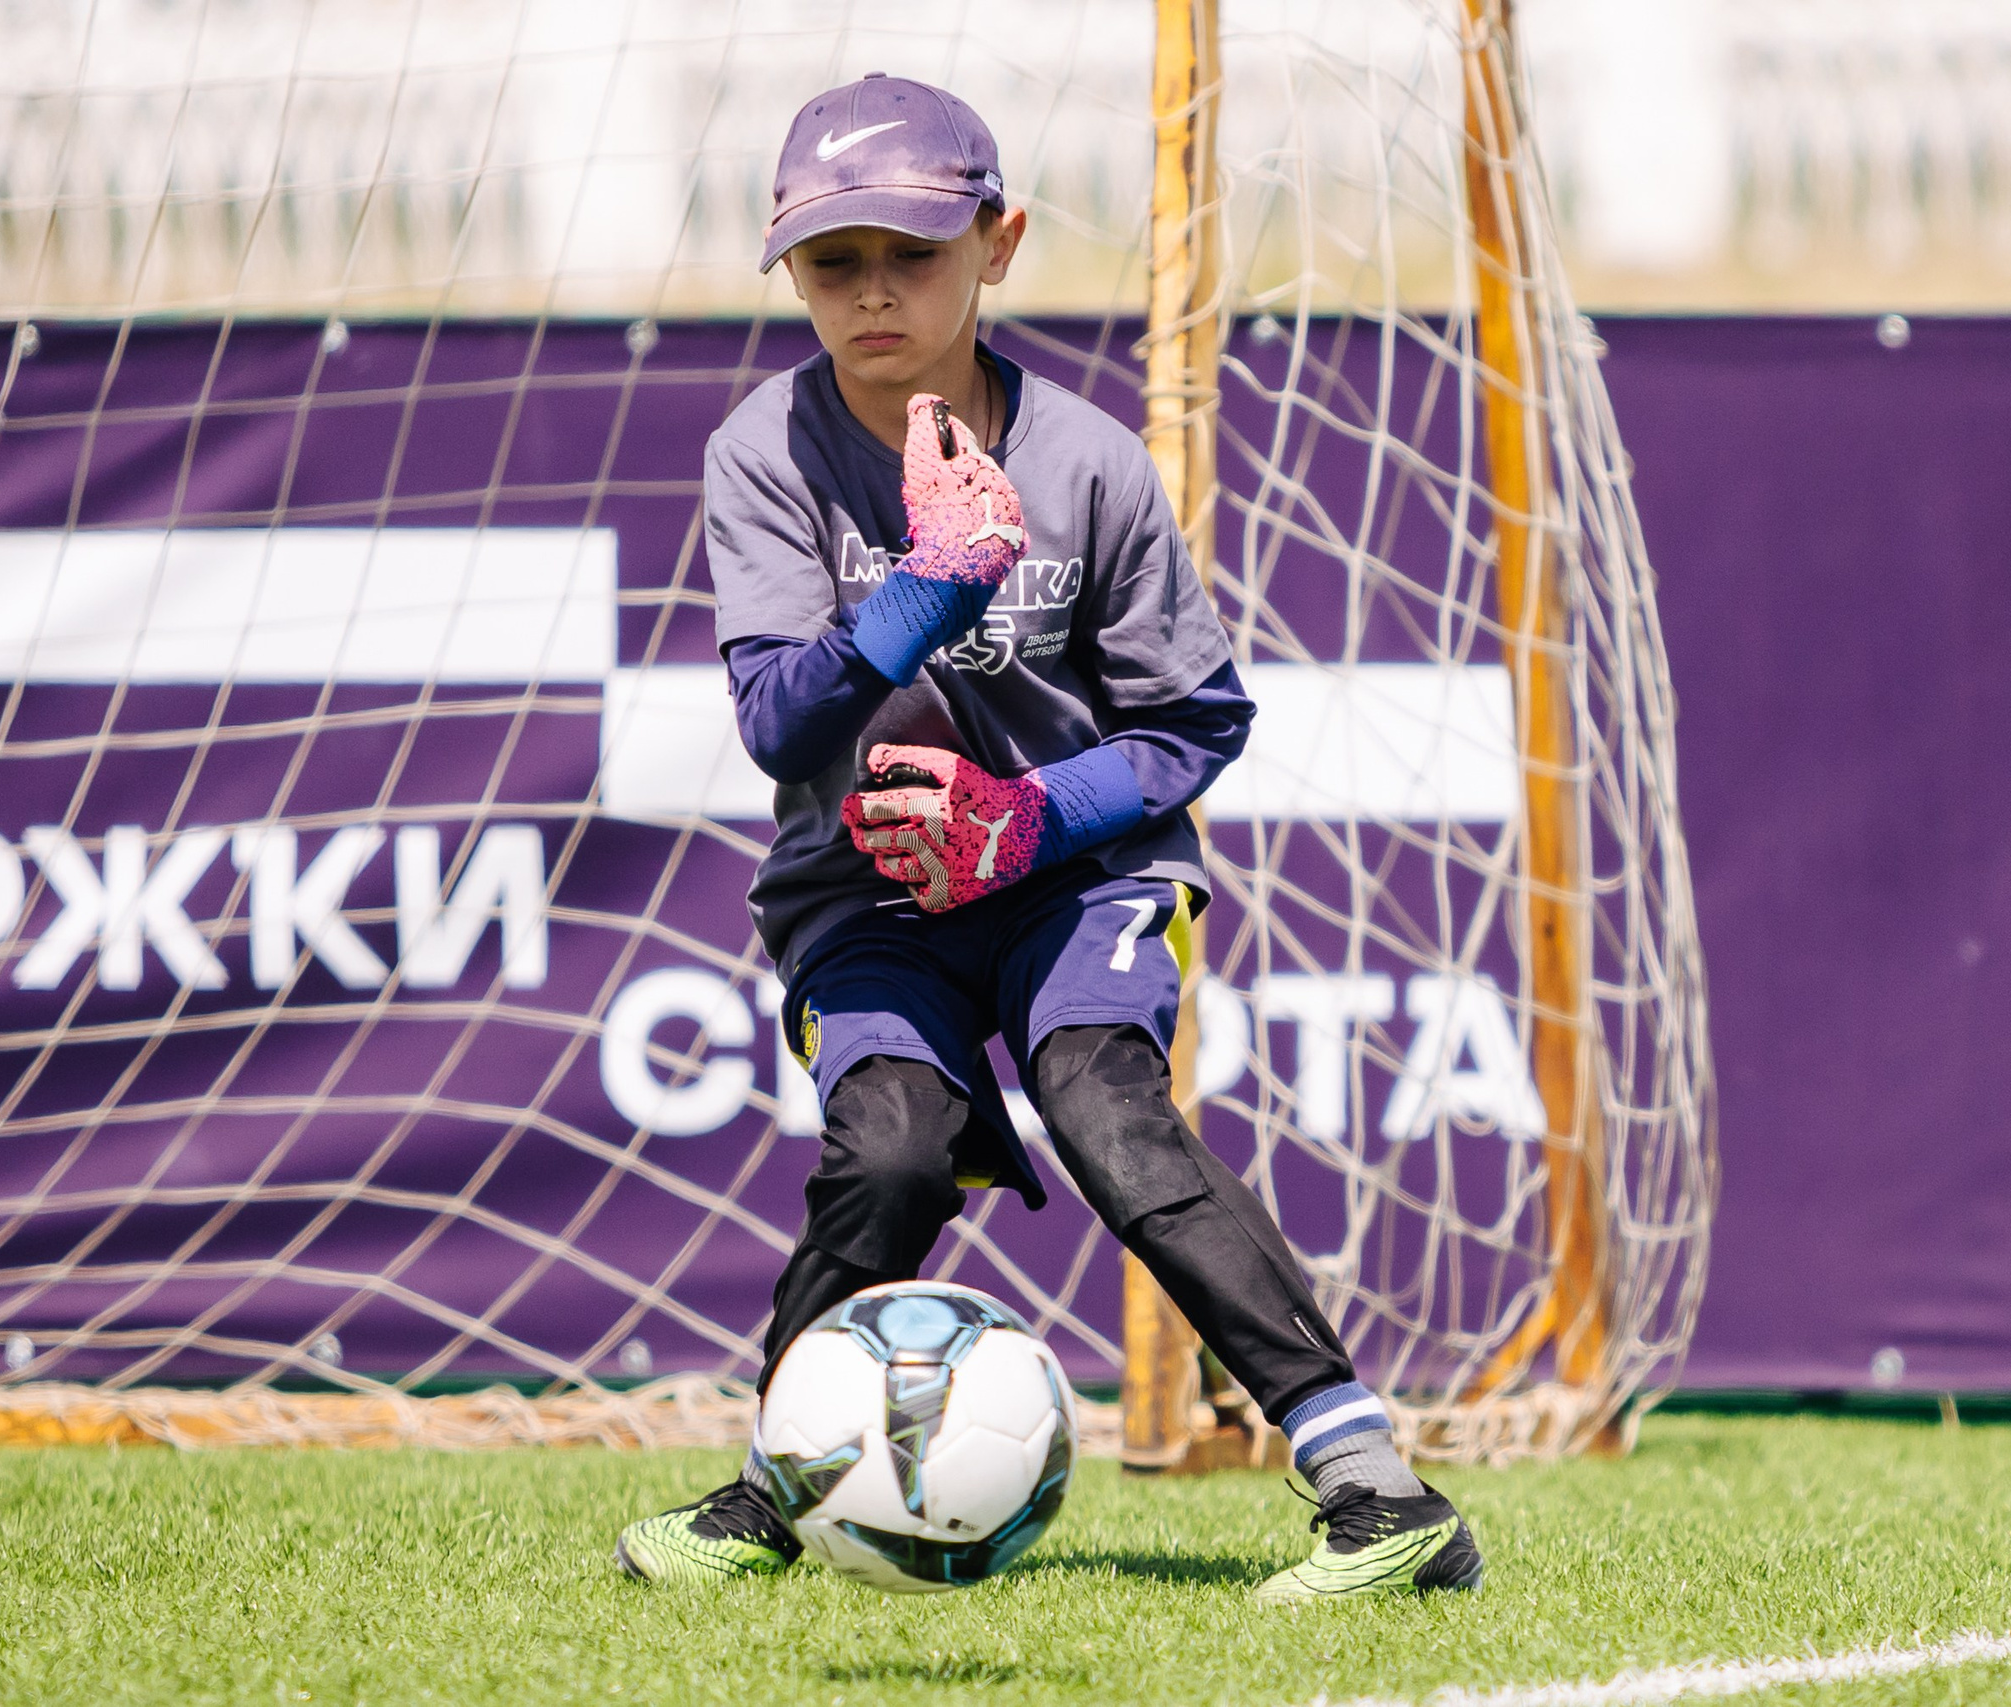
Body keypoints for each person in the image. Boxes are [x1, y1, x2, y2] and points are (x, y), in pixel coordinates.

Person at [613, 72, 1482, 1604]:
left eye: (915, 253)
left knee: (1108, 1116)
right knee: (886, 1155)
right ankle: (774, 1489)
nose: (874, 292)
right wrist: (930, 586)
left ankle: (1375, 1485)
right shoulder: (764, 451)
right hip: (865, 898)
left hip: (1080, 878)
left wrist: (1023, 822)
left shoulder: (1089, 460)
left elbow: (1197, 725)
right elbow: (777, 726)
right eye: (833, 263)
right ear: (788, 270)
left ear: (996, 246)